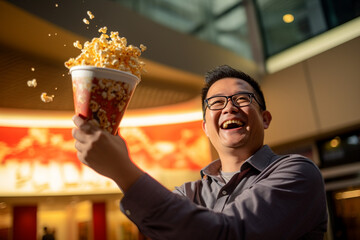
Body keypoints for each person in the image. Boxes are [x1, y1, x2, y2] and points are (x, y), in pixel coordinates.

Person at [72, 65, 328, 239]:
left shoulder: (297, 172)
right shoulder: (188, 193)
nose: (229, 108)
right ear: (206, 127)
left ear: (265, 119)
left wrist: (122, 170)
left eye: (242, 99)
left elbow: (228, 234)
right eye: (216, 103)